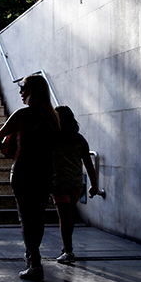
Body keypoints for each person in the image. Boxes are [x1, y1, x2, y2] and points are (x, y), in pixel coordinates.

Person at [0, 74, 59, 282]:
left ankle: (34, 262)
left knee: (26, 218)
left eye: (23, 89)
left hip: (23, 170)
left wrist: (10, 151)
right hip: (45, 170)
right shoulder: (52, 118)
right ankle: (33, 258)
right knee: (38, 217)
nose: (20, 92)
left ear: (32, 92)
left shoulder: (22, 115)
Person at [51, 105, 102, 264]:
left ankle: (68, 250)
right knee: (69, 216)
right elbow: (88, 164)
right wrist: (94, 185)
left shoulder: (53, 137)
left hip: (59, 182)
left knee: (64, 217)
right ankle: (67, 247)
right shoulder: (79, 139)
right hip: (76, 184)